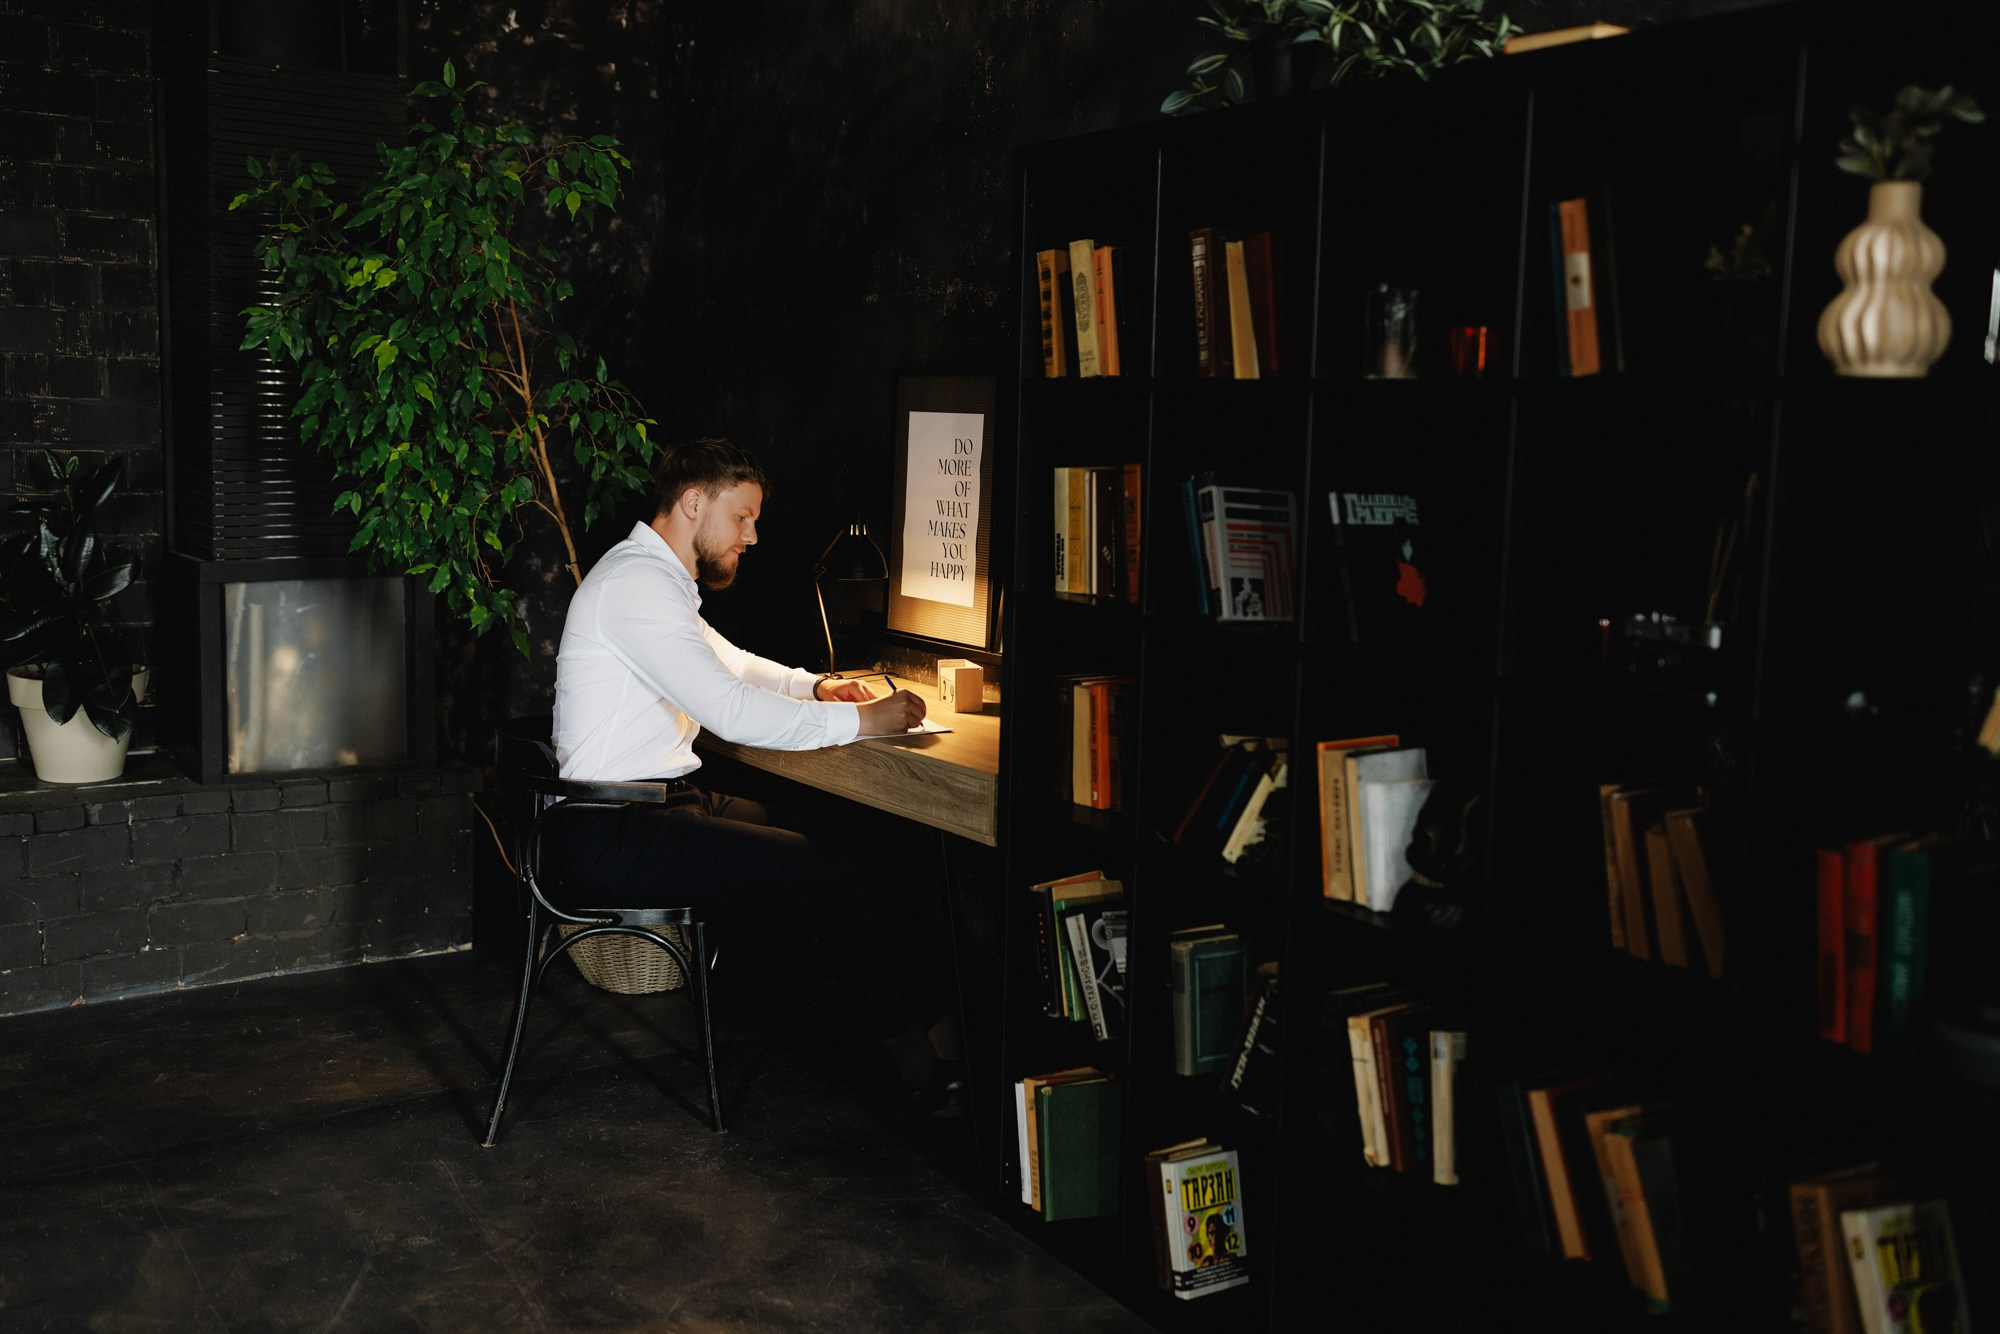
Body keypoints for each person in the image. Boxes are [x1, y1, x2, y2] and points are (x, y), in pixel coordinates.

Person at [550, 435, 957, 1107]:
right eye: (742, 516)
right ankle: (914, 1065)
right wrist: (863, 722)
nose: (753, 535)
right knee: (840, 873)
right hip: (612, 830)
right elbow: (730, 709)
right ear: (691, 503)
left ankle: (912, 1025)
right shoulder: (636, 585)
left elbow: (732, 663)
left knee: (843, 838)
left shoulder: (653, 577)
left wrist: (818, 688)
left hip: (653, 809)